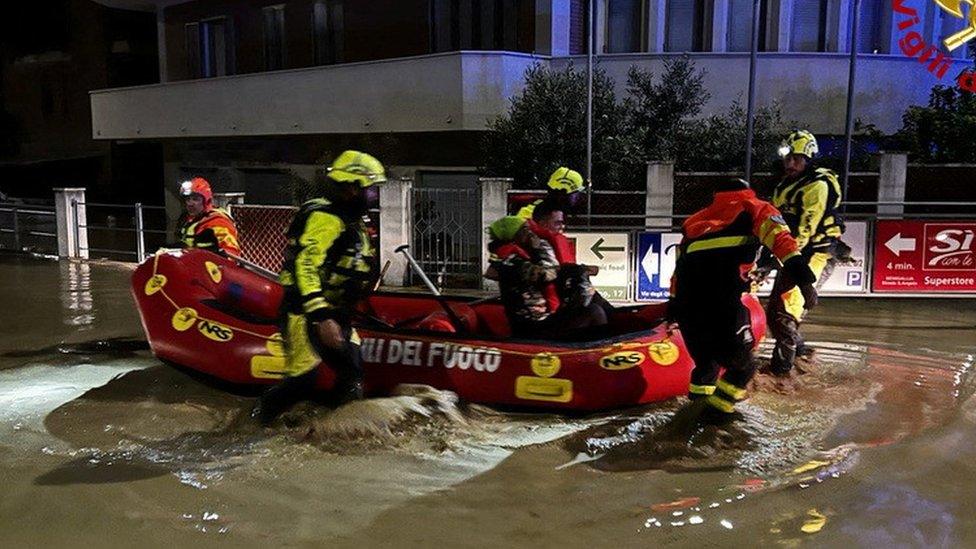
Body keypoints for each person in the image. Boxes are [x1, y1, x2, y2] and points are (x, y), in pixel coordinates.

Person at [251, 150, 385, 424]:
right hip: (305, 311)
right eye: (371, 189)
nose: (375, 195)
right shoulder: (326, 219)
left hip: (337, 311)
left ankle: (334, 427)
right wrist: (322, 317)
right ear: (351, 188)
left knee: (352, 373)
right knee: (304, 379)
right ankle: (260, 420)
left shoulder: (353, 221)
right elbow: (306, 267)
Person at [669, 179, 817, 417]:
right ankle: (714, 417)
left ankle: (693, 412)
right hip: (723, 300)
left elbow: (678, 271)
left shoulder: (693, 222)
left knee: (706, 366)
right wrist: (806, 283)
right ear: (747, 191)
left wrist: (672, 309)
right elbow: (784, 245)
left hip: (687, 302)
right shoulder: (755, 208)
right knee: (744, 368)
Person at [763, 130, 846, 375]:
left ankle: (782, 375)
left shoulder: (817, 186)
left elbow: (805, 231)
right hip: (793, 256)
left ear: (808, 158)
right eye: (787, 158)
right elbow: (775, 226)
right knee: (774, 311)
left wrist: (775, 260)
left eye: (796, 158)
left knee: (785, 314)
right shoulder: (783, 186)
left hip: (815, 255)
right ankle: (803, 355)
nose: (790, 164)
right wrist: (765, 258)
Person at [487, 216, 605, 339]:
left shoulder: (519, 257)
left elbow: (551, 271)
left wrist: (578, 269)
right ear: (514, 236)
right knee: (594, 311)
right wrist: (538, 249)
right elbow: (544, 274)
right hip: (531, 328)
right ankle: (601, 352)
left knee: (593, 300)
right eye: (525, 229)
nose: (530, 233)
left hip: (543, 320)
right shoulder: (509, 261)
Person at [175, 177, 240, 255]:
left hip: (209, 265)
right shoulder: (185, 219)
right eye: (188, 199)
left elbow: (231, 252)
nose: (190, 203)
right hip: (189, 263)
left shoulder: (218, 221)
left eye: (195, 199)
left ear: (206, 201)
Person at [516, 167, 586, 221]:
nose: (579, 197)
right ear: (563, 193)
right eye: (576, 193)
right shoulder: (530, 216)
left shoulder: (557, 214)